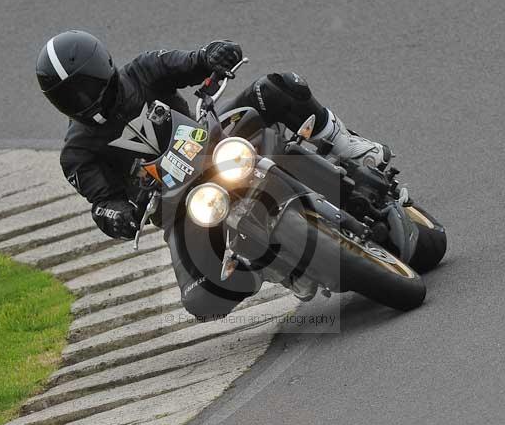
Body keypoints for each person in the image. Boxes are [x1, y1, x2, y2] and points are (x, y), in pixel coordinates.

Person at [36, 30, 389, 319]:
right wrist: (119, 215)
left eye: (87, 85)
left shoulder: (143, 70)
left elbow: (190, 62)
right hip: (181, 210)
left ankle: (346, 145)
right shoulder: (77, 154)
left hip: (216, 146)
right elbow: (103, 202)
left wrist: (214, 55)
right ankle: (269, 266)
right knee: (202, 301)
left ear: (104, 68)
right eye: (69, 96)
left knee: (275, 88)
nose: (84, 99)